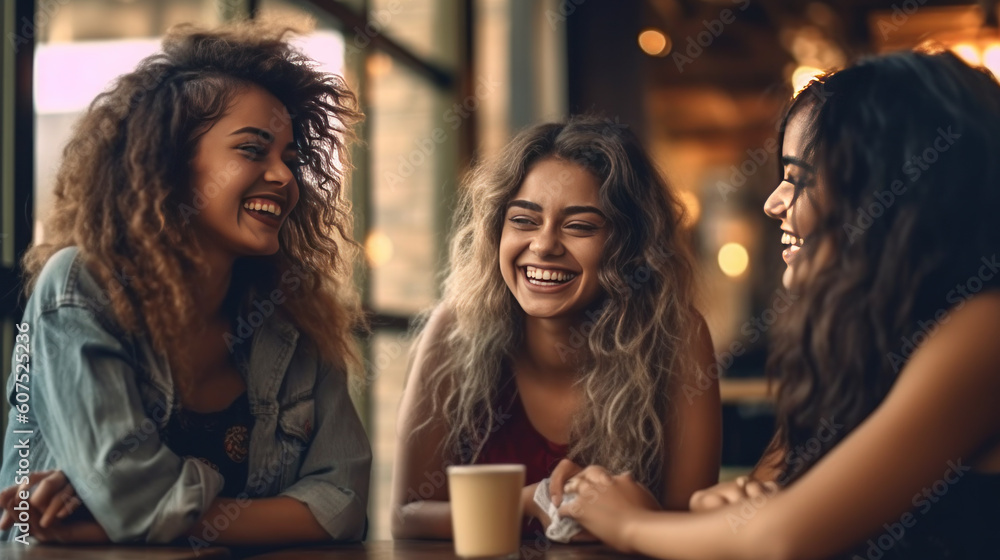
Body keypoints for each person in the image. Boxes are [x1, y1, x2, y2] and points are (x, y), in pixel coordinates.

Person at [557, 49, 1000, 559]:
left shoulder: (984, 328)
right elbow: (763, 514)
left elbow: (779, 538)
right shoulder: (852, 347)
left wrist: (627, 522)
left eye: (800, 178)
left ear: (890, 191)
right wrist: (721, 511)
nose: (773, 202)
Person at [0, 23, 371, 546]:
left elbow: (346, 505)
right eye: (252, 150)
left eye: (289, 158)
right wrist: (251, 513)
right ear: (170, 165)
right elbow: (132, 498)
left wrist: (120, 520)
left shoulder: (297, 316)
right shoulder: (80, 289)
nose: (285, 177)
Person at [390, 117, 722, 540]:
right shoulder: (454, 329)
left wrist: (623, 517)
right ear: (496, 231)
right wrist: (529, 501)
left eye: (580, 226)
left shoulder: (678, 336)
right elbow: (405, 516)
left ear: (629, 246)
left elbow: (691, 528)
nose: (544, 245)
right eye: (524, 221)